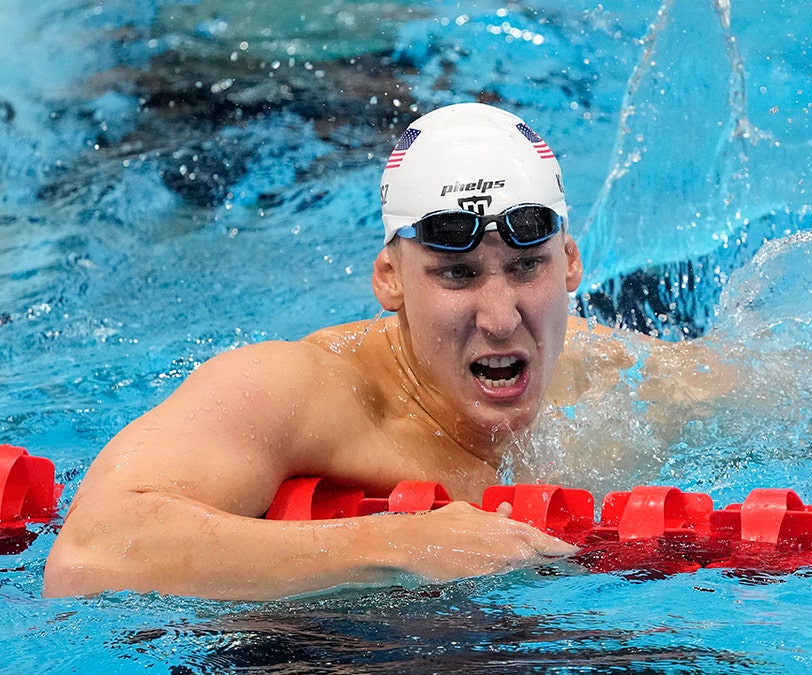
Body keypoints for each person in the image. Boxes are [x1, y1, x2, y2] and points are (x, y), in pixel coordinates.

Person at [42, 103, 728, 601]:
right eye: (457, 274)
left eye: (526, 267)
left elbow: (808, 408)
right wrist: (397, 546)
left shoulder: (627, 380)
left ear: (571, 263)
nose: (500, 317)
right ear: (390, 280)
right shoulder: (301, 387)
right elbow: (88, 550)